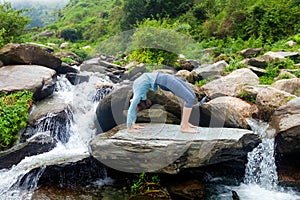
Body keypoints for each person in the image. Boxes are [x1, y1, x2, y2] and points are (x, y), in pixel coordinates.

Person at [127, 72, 198, 133]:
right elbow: (133, 108)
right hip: (165, 79)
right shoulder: (138, 91)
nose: (133, 104)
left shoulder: (138, 95)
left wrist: (129, 127)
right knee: (190, 98)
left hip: (167, 79)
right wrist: (133, 123)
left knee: (192, 96)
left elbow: (131, 109)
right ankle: (184, 125)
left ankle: (185, 124)